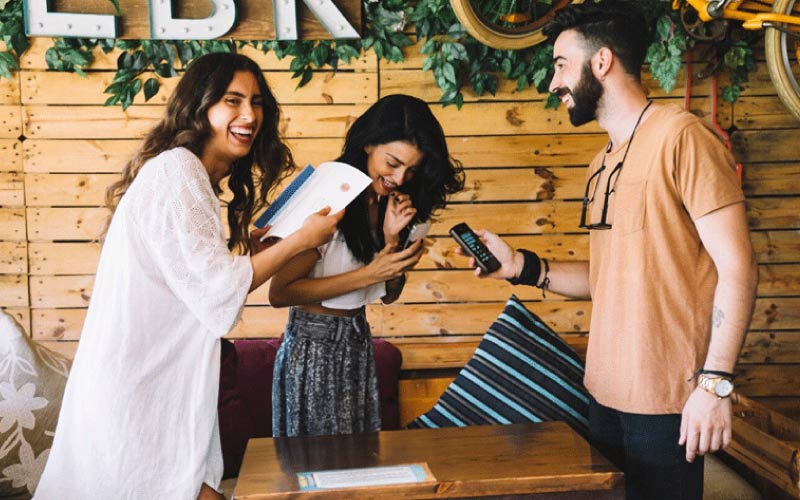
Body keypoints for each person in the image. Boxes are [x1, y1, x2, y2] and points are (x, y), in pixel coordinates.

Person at [463, 3, 758, 499]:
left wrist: (714, 386)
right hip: (603, 396)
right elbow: (608, 279)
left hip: (669, 401)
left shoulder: (680, 136)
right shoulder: (601, 162)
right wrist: (521, 268)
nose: (552, 82)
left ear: (601, 62)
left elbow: (739, 267)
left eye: (560, 64)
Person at [34, 52, 340, 500]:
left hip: (148, 393)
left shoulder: (183, 173)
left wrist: (254, 258)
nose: (249, 115)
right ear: (201, 106)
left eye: (256, 103)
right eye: (232, 101)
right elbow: (218, 294)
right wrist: (300, 240)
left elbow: (206, 291)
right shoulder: (179, 171)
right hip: (138, 397)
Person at [269, 94, 465, 437]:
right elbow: (280, 292)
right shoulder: (330, 196)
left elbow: (388, 295)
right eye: (392, 163)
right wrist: (369, 273)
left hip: (357, 340)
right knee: (319, 471)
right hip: (314, 346)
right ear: (368, 145)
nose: (401, 178)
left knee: (357, 466)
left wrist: (392, 244)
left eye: (412, 170)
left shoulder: (389, 203)